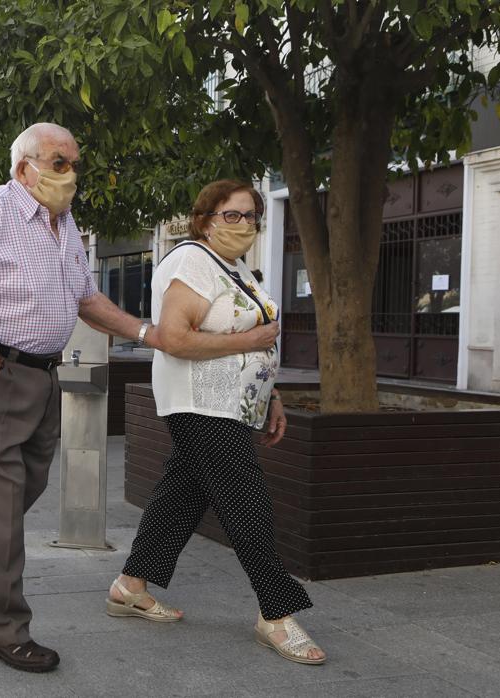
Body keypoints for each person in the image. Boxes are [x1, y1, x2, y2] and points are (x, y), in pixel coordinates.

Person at [0, 123, 190, 672]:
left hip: (38, 373)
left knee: (23, 488)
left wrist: (147, 334)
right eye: (59, 162)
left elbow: (85, 297)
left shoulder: (64, 225)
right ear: (24, 168)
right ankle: (3, 627)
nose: (70, 174)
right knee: (4, 499)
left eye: (75, 164)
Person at [110, 180, 324, 665]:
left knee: (181, 495)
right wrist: (247, 346)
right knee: (246, 502)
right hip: (199, 403)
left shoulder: (235, 268)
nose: (244, 225)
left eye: (251, 216)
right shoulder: (190, 261)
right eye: (232, 215)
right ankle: (276, 613)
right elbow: (174, 339)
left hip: (234, 404)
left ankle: (130, 584)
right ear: (205, 218)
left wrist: (272, 396)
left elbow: (257, 337)